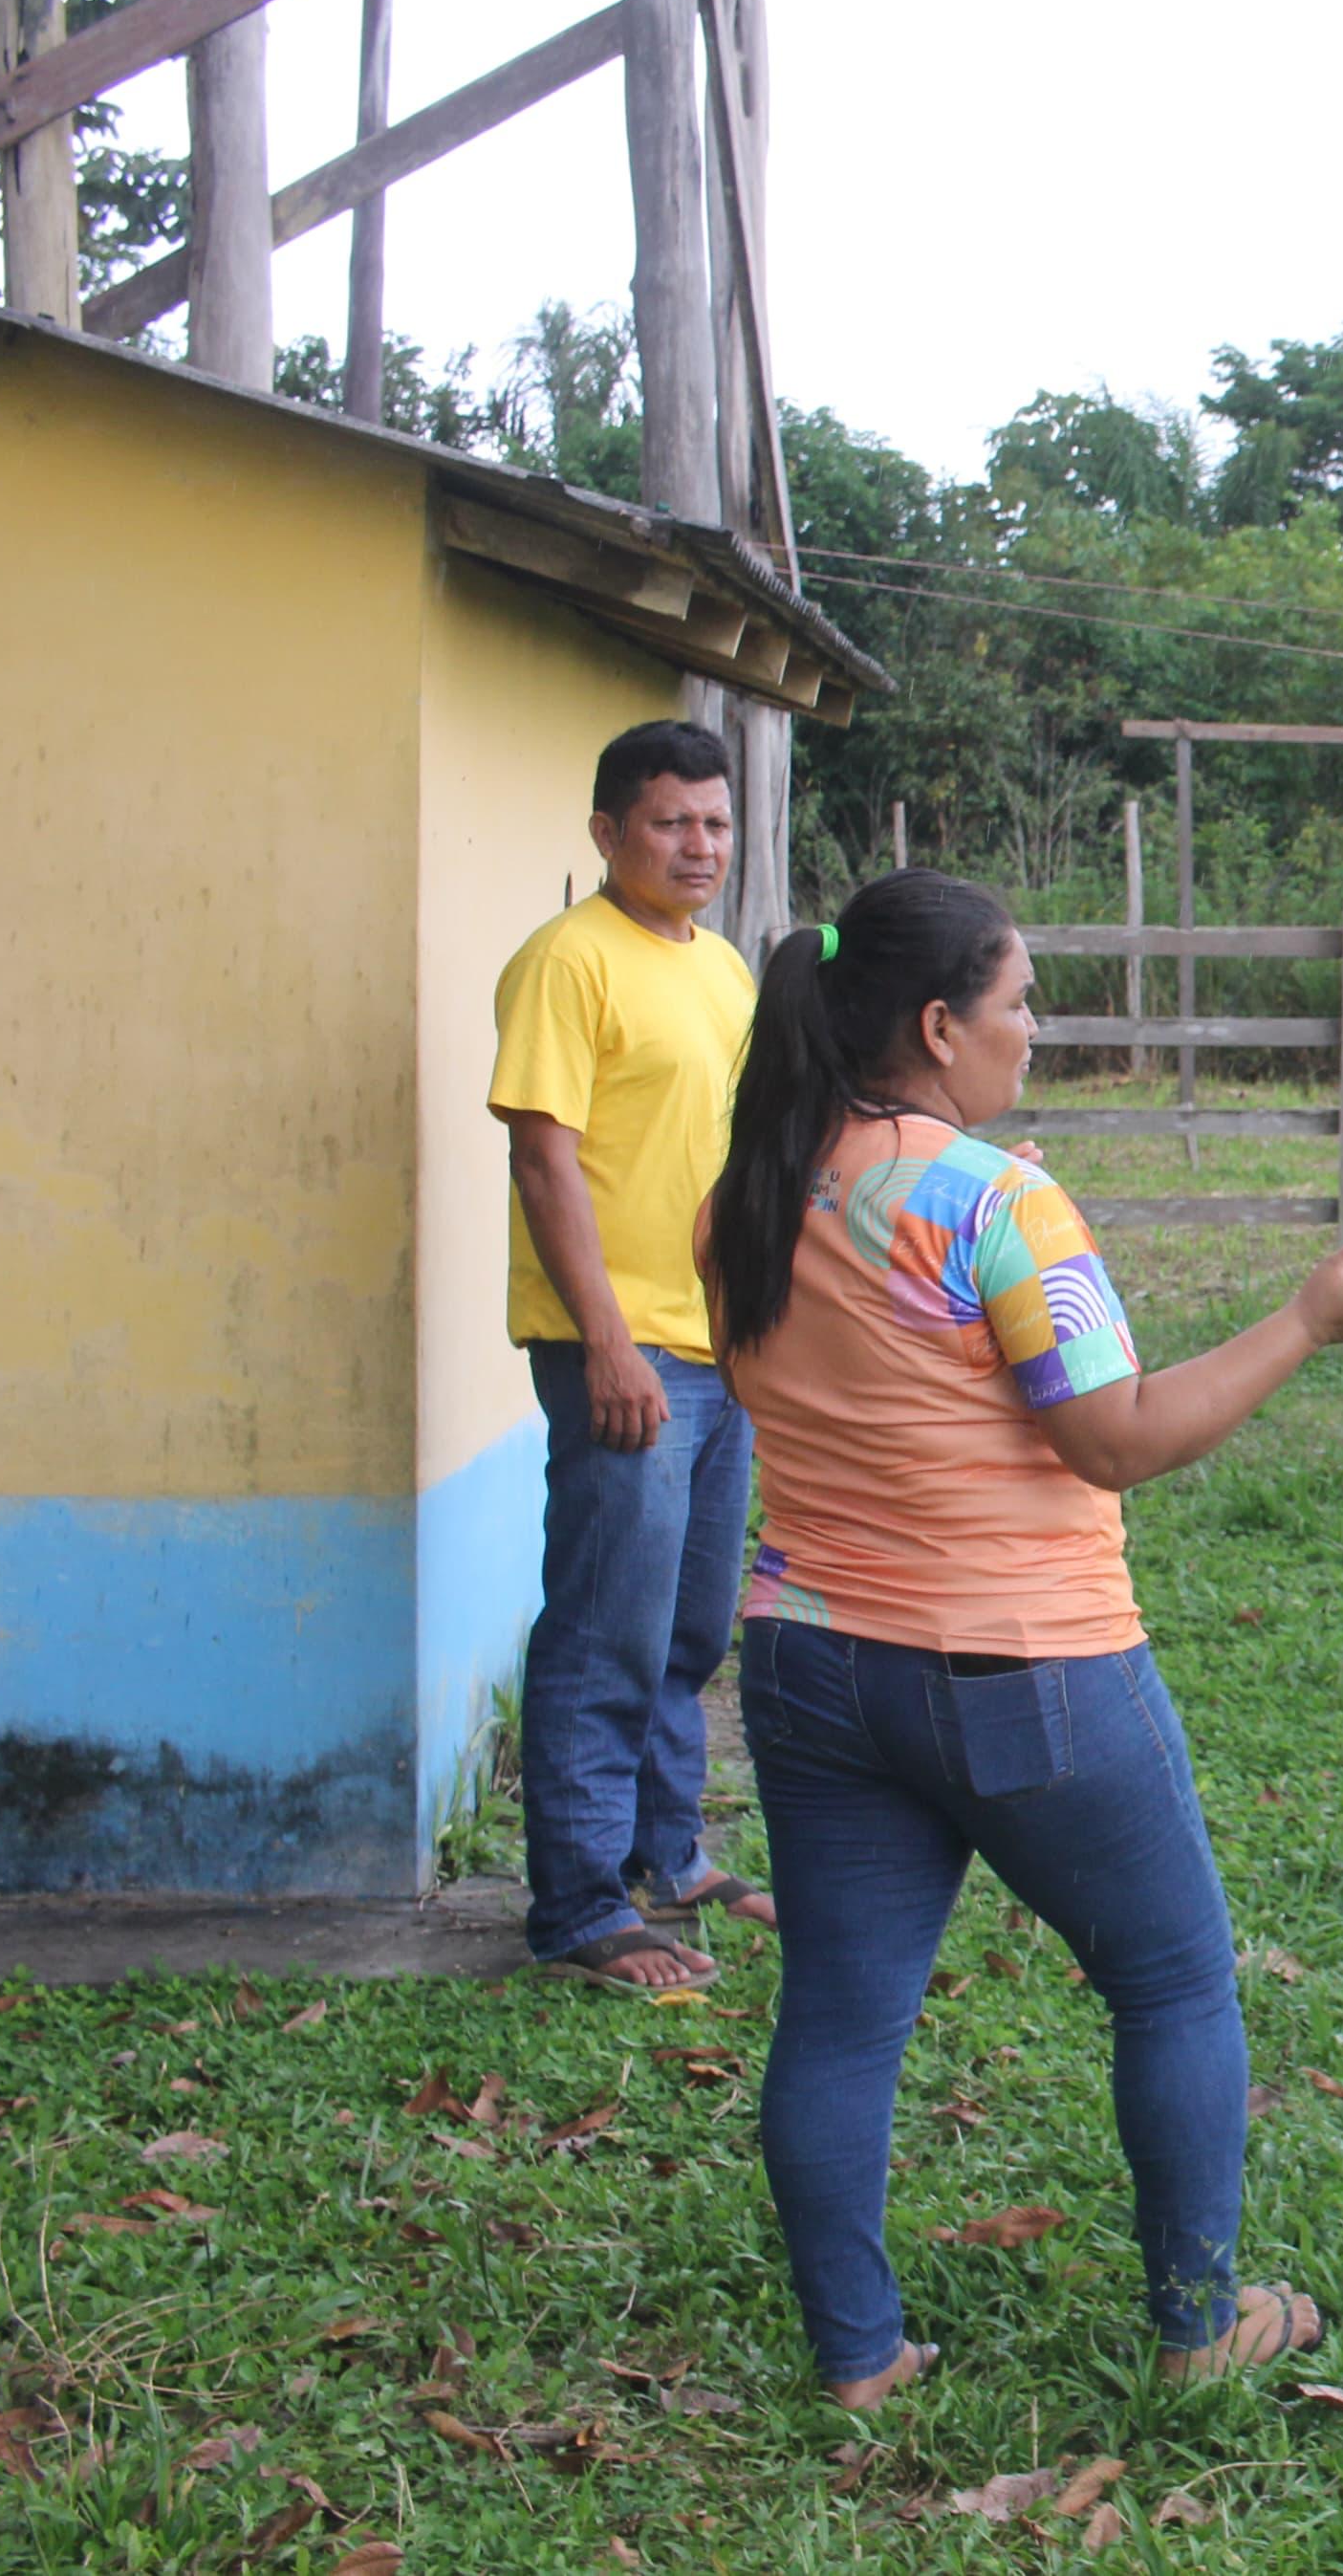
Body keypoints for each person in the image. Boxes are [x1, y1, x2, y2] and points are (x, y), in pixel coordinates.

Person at [703, 868, 1343, 2410]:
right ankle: (1198, 2326)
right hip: (1025, 1669)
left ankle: (858, 2358)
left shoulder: (748, 1200)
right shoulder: (995, 1204)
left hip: (809, 1661)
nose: (1034, 1031)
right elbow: (1114, 1437)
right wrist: (1303, 1321)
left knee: (841, 2016)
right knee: (1173, 1981)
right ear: (935, 1023)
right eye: (1019, 1001)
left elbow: (852, 1371)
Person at [492, 719, 773, 1992]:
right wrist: (608, 1342)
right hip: (624, 1351)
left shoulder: (721, 969)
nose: (697, 843)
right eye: (670, 821)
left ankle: (673, 1850)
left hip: (720, 1351)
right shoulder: (567, 961)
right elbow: (545, 1157)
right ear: (609, 832)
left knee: (688, 1628)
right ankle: (581, 1905)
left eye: (713, 822)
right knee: (607, 1626)